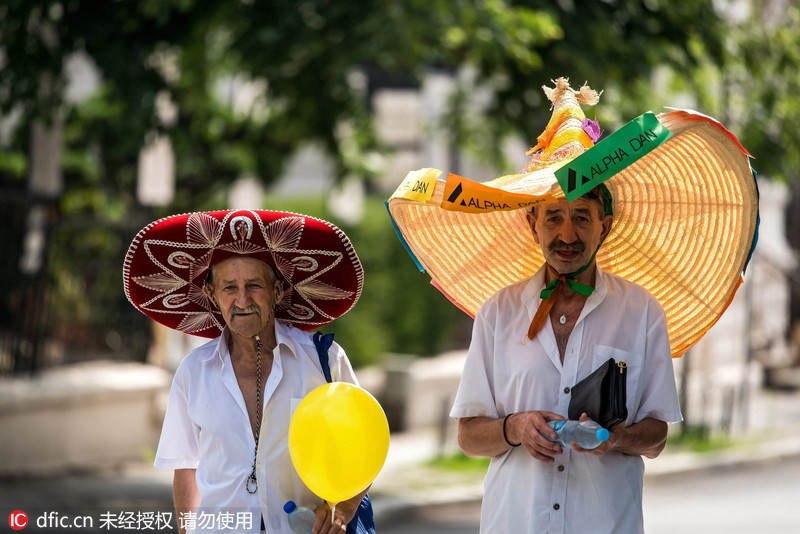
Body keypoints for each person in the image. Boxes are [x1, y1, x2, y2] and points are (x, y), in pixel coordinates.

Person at [386, 77, 758, 534]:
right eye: (554, 217)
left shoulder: (641, 312)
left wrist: (617, 438)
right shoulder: (498, 313)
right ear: (532, 224)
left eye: (581, 216)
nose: (567, 234)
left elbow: (658, 434)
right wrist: (515, 428)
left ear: (605, 223)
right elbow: (467, 434)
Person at [123, 209, 367, 534]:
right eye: (228, 288)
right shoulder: (193, 372)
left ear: (277, 290)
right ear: (211, 294)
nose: (242, 300)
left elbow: (363, 449)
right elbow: (185, 468)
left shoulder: (324, 361)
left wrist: (341, 510)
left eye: (254, 285)